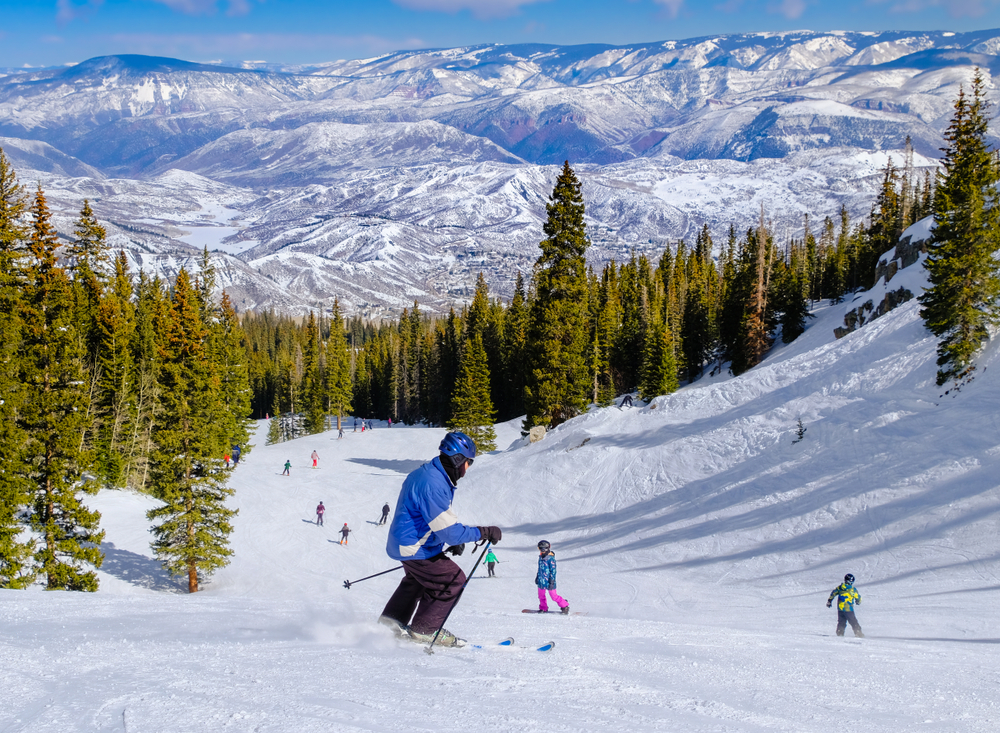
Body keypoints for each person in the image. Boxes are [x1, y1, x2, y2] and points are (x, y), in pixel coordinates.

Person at [378, 431, 502, 648]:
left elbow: (425, 519)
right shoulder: (433, 484)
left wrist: (443, 540)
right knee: (452, 579)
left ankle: (391, 623)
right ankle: (424, 630)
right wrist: (483, 532)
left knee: (418, 580)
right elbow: (451, 532)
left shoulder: (430, 474)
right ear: (458, 460)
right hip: (414, 547)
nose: (468, 468)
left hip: (406, 544)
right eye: (469, 462)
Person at [535, 540, 569, 614]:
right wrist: (537, 577)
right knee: (541, 596)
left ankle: (565, 605)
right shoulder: (540, 558)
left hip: (550, 581)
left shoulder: (551, 559)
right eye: (540, 549)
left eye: (543, 549)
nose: (542, 551)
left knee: (554, 596)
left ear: (548, 548)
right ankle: (543, 608)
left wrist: (552, 581)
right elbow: (539, 568)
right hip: (541, 581)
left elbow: (553, 571)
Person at [827, 573, 864, 637]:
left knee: (841, 622)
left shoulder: (840, 588)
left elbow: (833, 593)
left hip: (840, 609)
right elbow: (858, 597)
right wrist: (858, 601)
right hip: (848, 609)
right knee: (853, 621)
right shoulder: (852, 589)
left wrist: (829, 601)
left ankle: (840, 633)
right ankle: (858, 632)